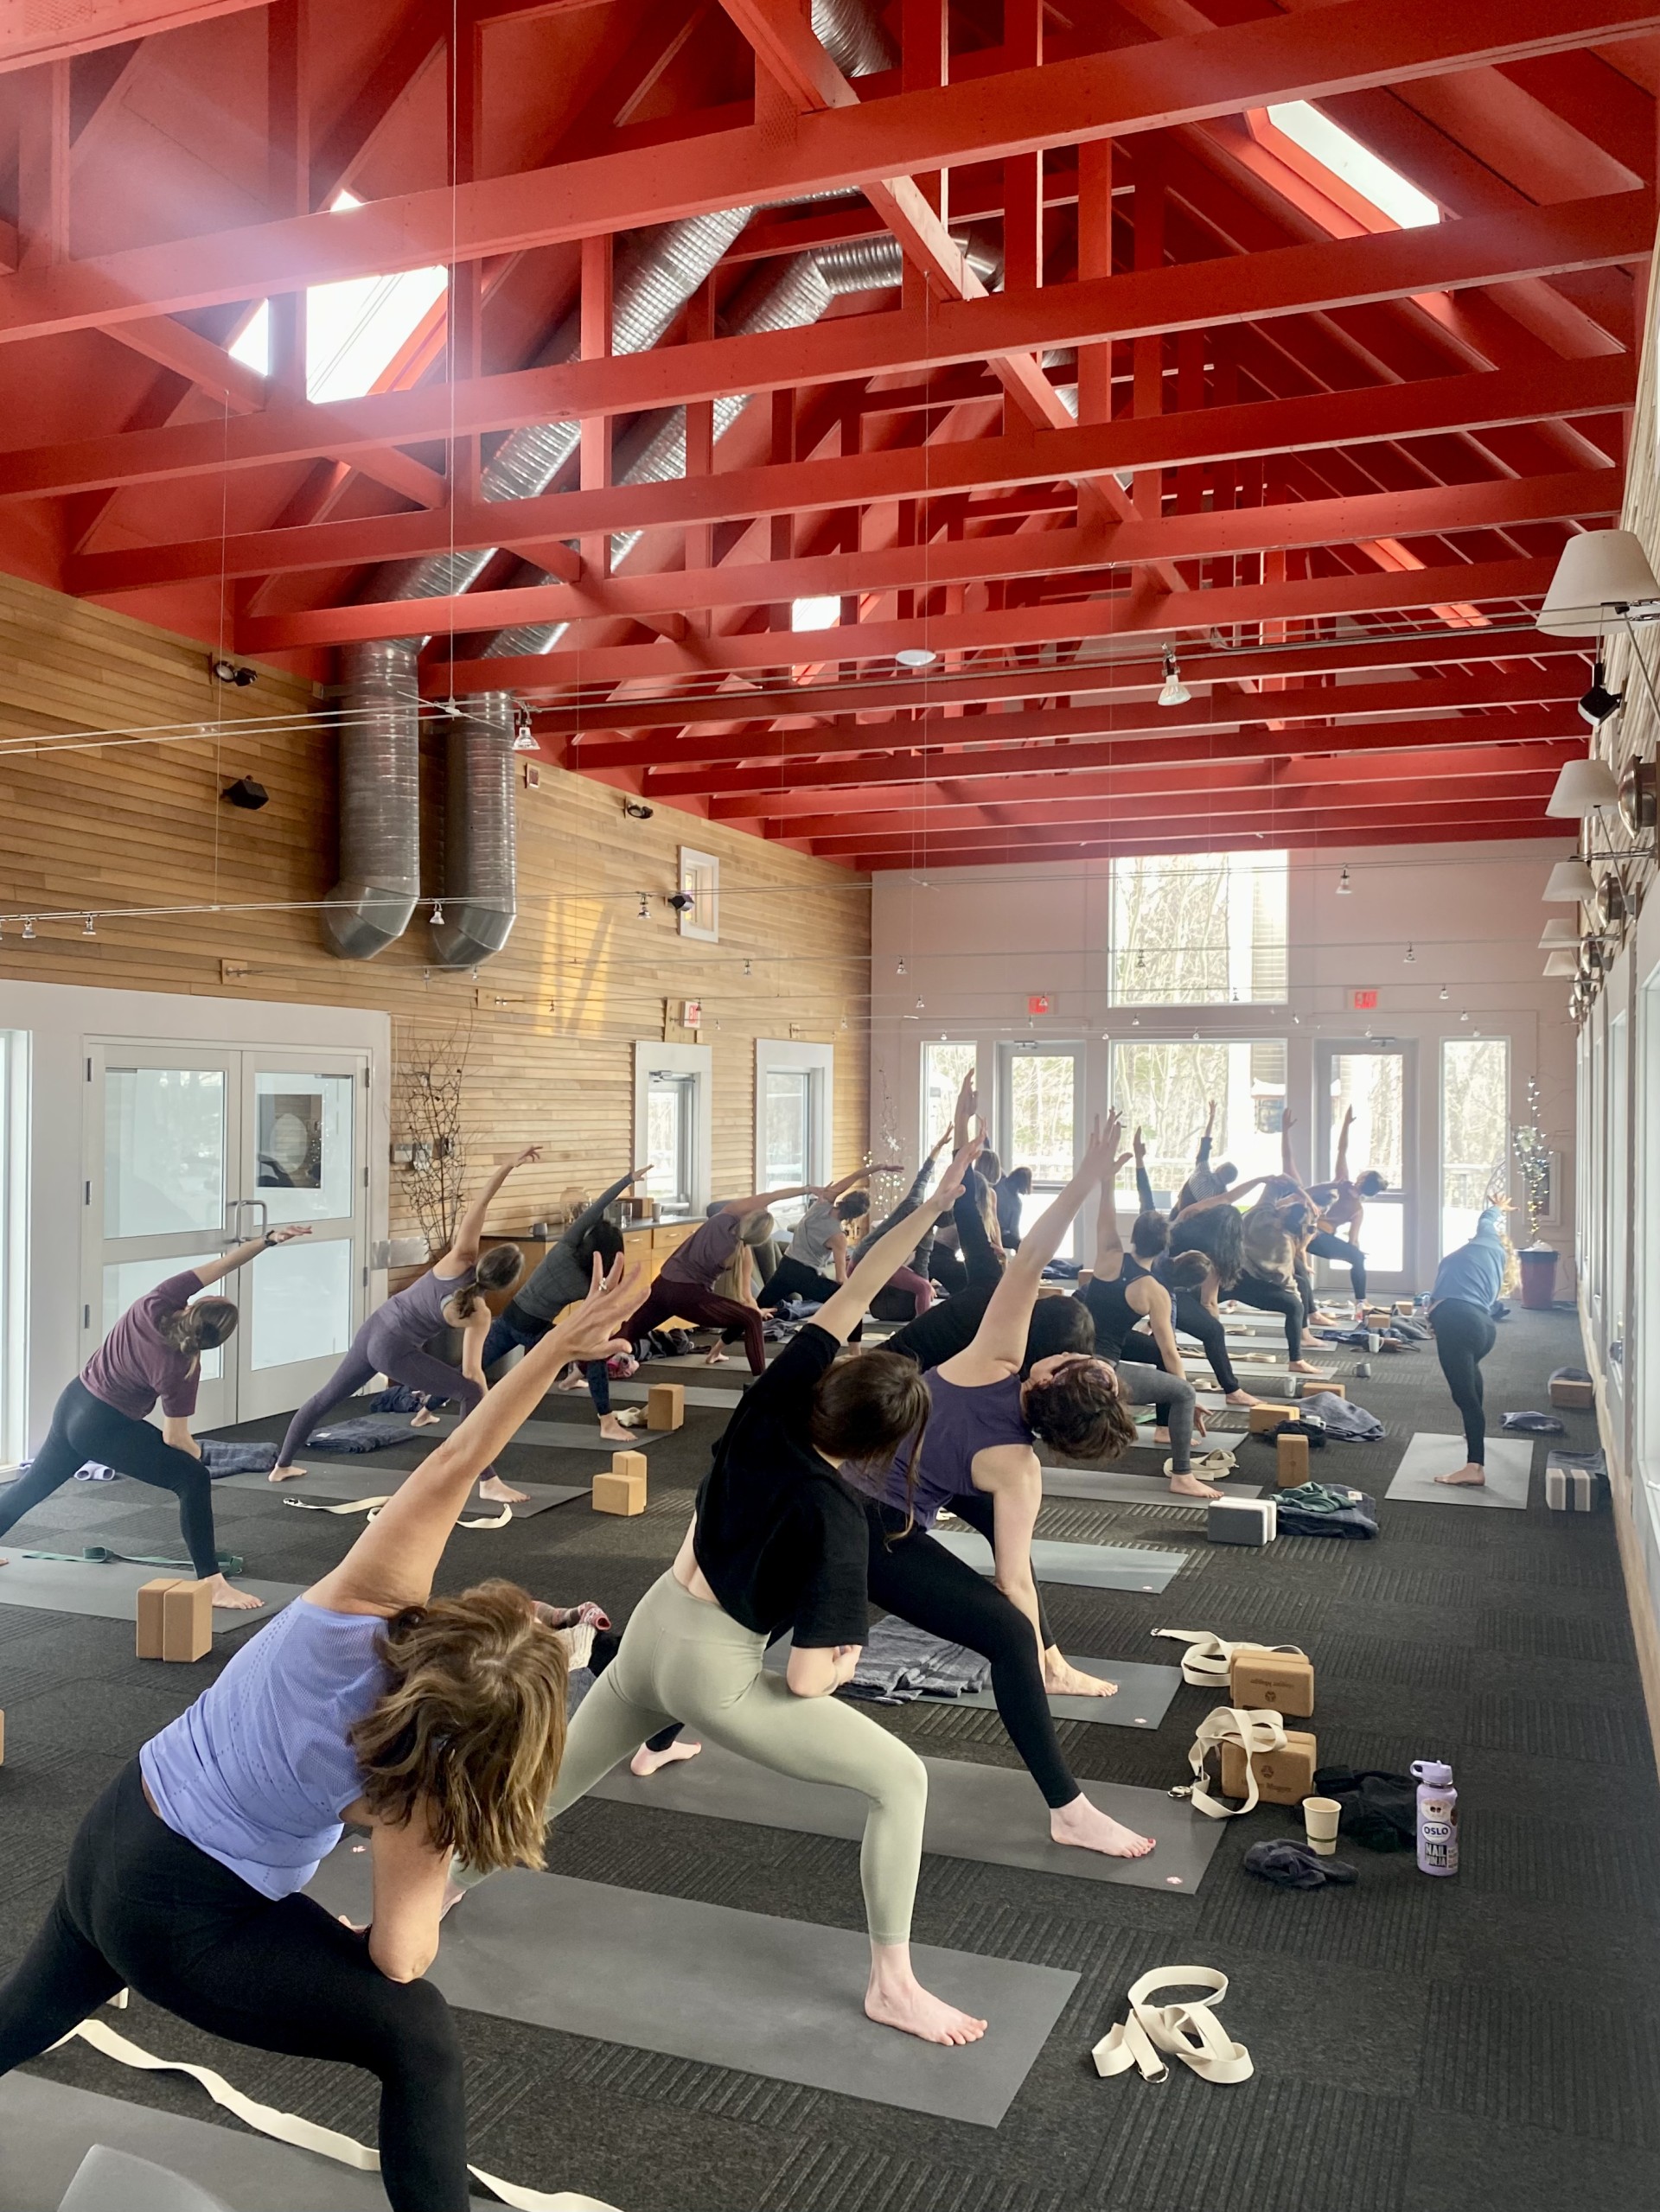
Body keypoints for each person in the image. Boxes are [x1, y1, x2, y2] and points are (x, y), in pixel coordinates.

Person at [0, 1252, 644, 2212]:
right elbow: (399, 1958)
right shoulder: (426, 1786)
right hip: (185, 1921)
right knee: (418, 2039)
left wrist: (556, 1342)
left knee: (21, 2020)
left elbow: (456, 1460)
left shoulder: (361, 1604)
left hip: (116, 1830)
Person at [487, 1144, 994, 2047]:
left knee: (564, 1774)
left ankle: (443, 1880)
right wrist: (844, 1655)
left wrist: (929, 1204)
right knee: (901, 1781)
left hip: (652, 1625)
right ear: (887, 1449)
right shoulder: (839, 1518)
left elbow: (858, 1285)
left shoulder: (777, 1397)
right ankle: (894, 1982)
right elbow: (804, 1683)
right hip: (711, 1673)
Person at [857, 1118, 1152, 1858]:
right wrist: (1035, 1648)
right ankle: (1069, 1807)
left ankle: (653, 1728)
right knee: (1008, 1635)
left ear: (1049, 1371)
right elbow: (1013, 1578)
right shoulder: (1022, 1471)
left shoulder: (992, 1358)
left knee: (743, 1607)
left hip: (820, 1489)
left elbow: (1031, 1254)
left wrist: (1087, 1179)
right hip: (881, 1533)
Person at [0, 1227, 314, 1613]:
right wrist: (199, 1456)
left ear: (194, 1306)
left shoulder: (156, 1303)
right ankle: (212, 1583)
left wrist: (264, 1241)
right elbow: (176, 1438)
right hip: (103, 1426)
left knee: (34, 1484)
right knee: (192, 1478)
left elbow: (219, 1266)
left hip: (75, 1400)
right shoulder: (182, 1367)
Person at [271, 1149, 540, 1501]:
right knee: (471, 1393)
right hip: (392, 1350)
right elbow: (473, 1373)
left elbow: (480, 1205)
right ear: (507, 1284)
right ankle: (487, 1480)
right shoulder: (480, 1313)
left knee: (327, 1397)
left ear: (486, 1259)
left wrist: (507, 1165)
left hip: (375, 1326)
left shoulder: (458, 1259)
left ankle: (282, 1464)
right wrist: (487, 1409)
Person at [1076, 1167, 1218, 1500]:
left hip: (1067, 1354)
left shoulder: (1108, 1257)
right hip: (1102, 1370)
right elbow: (1170, 1354)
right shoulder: (1155, 1292)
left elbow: (1104, 1214)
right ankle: (1182, 1475)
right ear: (1165, 1246)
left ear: (1134, 1237)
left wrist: (1107, 1174)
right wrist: (1189, 1395)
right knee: (1181, 1394)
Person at [482, 1165, 648, 1446]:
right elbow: (599, 1327)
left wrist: (628, 1180)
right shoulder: (594, 1283)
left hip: (509, 1318)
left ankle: (424, 1404)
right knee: (595, 1353)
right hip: (535, 1332)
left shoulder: (567, 1245)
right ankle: (606, 1421)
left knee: (472, 1366)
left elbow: (597, 1206)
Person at [621, 1178, 820, 1373]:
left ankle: (589, 1364)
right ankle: (761, 1376)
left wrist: (808, 1189)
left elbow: (773, 1196)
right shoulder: (742, 1252)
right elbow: (746, 1298)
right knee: (750, 1318)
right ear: (760, 1237)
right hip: (689, 1297)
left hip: (663, 1285)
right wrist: (757, 1313)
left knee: (629, 1333)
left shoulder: (725, 1216)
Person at [1427, 1195, 1516, 1488]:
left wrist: (1497, 1209)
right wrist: (1497, 1209)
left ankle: (1474, 1467)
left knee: (1463, 1397)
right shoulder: (1495, 1254)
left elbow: (1485, 1221)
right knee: (1470, 1385)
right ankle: (1473, 1433)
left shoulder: (1486, 1241)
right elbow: (1487, 1220)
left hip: (1457, 1322)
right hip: (1482, 1328)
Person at [1296, 1107, 1387, 1301]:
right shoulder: (1358, 1209)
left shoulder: (1342, 1181)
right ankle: (1361, 1303)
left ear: (1362, 1179)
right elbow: (1353, 1240)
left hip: (1307, 1233)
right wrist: (1355, 1251)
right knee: (1359, 1259)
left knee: (1355, 1256)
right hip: (1319, 1238)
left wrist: (1346, 1125)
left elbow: (1341, 1149)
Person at [756, 1167, 878, 1310]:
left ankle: (732, 1331)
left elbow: (853, 1176)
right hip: (805, 1276)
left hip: (786, 1266)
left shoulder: (821, 1206)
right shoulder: (839, 1237)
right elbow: (840, 1279)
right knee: (848, 1302)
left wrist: (879, 1167)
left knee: (756, 1309)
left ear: (845, 1200)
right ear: (856, 1216)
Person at [1174, 1100, 1236, 1213]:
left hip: (1177, 1212)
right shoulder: (1221, 1198)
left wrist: (1212, 1117)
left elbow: (1206, 1141)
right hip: (1194, 1223)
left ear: (1219, 1168)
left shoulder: (1202, 1171)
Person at [995, 1165, 1032, 1252]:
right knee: (1021, 1246)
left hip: (986, 1227)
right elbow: (1013, 1229)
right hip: (1001, 1234)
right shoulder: (1016, 1203)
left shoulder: (998, 1182)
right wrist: (1019, 1240)